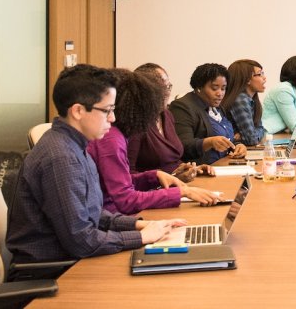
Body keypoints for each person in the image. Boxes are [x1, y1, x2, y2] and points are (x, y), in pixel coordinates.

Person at [7, 64, 183, 263]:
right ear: (78, 111)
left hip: (72, 259)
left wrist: (139, 225)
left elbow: (94, 214)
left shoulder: (75, 146)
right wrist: (141, 237)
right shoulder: (61, 158)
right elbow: (82, 240)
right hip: (55, 270)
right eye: (107, 110)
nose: (113, 118)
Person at [86, 68, 221, 215]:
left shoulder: (117, 134)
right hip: (118, 218)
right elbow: (125, 200)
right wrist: (182, 192)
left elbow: (121, 180)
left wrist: (154, 176)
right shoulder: (111, 139)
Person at [131, 63, 212, 183]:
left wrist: (190, 169)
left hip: (176, 186)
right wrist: (169, 179)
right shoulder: (135, 122)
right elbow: (127, 175)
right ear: (145, 90)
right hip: (152, 194)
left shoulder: (166, 115)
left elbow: (172, 159)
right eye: (162, 87)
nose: (167, 92)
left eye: (169, 86)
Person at [170, 63, 248, 164]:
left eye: (223, 88)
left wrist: (237, 145)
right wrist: (209, 142)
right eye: (214, 88)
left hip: (224, 164)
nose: (220, 93)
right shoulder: (182, 107)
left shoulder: (217, 107)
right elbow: (182, 146)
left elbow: (227, 136)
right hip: (200, 170)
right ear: (199, 87)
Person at [222, 59, 268, 145]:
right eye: (260, 74)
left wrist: (250, 133)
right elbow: (252, 139)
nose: (264, 77)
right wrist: (254, 133)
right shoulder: (240, 100)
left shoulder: (251, 99)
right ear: (247, 80)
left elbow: (261, 128)